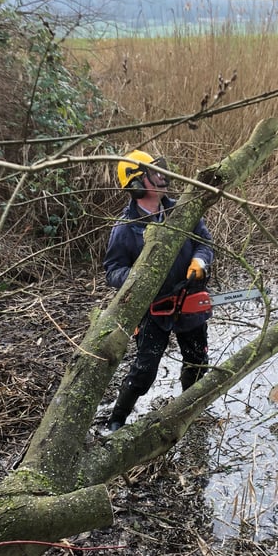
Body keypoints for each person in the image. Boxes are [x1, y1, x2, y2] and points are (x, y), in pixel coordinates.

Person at [104, 149, 215, 431]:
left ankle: (188, 408)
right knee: (144, 369)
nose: (162, 175)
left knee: (197, 360)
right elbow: (113, 269)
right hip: (153, 308)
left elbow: (204, 241)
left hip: (188, 298)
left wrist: (199, 261)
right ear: (138, 184)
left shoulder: (182, 210)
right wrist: (139, 278)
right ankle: (117, 418)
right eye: (154, 172)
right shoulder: (126, 228)